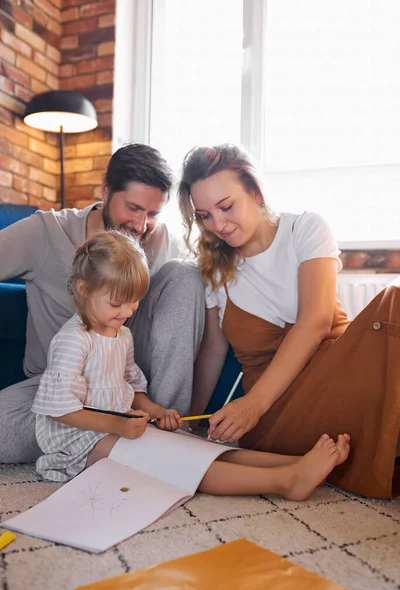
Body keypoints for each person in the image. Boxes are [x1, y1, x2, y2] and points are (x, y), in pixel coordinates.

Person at [33, 230, 351, 500]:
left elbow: (131, 388)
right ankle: (286, 481)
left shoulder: (122, 334)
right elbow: (60, 409)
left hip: (114, 430)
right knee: (172, 463)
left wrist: (155, 410)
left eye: (134, 302)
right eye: (117, 303)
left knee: (187, 444)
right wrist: (117, 426)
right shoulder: (74, 340)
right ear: (84, 289)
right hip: (76, 444)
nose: (127, 311)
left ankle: (294, 462)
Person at [178, 143, 400, 499]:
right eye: (204, 215)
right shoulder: (214, 271)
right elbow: (212, 352)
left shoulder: (305, 229)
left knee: (394, 303)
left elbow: (315, 322)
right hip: (277, 410)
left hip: (337, 372)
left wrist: (252, 405)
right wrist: (194, 418)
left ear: (256, 192)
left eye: (226, 206)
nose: (217, 224)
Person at [0, 144, 205, 464]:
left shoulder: (161, 239)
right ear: (106, 190)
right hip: (63, 392)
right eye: (134, 208)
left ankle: (164, 432)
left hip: (134, 388)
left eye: (152, 214)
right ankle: (121, 442)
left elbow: (196, 302)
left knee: (186, 275)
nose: (141, 225)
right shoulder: (45, 232)